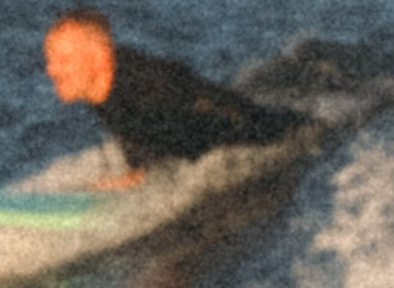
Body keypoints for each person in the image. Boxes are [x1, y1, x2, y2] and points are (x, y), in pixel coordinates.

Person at [42, 12, 313, 175]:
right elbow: (130, 126)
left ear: (99, 58)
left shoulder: (153, 84)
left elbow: (220, 103)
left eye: (63, 60)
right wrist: (137, 170)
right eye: (51, 59)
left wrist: (286, 137)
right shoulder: (96, 87)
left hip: (266, 135)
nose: (51, 70)